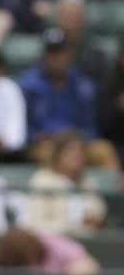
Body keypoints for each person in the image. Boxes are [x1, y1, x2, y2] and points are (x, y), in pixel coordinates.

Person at [19, 27, 119, 169]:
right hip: (48, 144)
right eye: (51, 53)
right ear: (44, 55)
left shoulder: (83, 85)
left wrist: (80, 141)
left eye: (60, 53)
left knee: (104, 149)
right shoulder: (29, 84)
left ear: (69, 54)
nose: (56, 58)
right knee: (48, 152)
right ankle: (55, 190)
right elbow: (21, 126)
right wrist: (35, 136)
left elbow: (90, 127)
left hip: (78, 142)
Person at [24, 129, 108, 238]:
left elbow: (99, 214)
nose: (77, 155)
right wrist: (75, 225)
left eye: (81, 151)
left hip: (91, 243)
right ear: (57, 154)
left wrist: (96, 221)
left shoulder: (87, 182)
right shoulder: (42, 180)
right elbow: (36, 224)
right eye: (70, 150)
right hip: (53, 243)